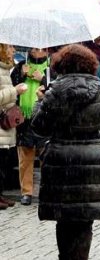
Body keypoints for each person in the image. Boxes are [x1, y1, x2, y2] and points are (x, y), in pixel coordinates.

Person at [30, 44, 100, 259]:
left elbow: (39, 126)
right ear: (90, 65)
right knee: (84, 220)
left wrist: (39, 103)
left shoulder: (54, 92)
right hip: (93, 164)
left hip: (61, 162)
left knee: (64, 218)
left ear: (62, 65)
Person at [10, 47, 50, 206]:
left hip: (44, 117)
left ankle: (47, 190)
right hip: (24, 116)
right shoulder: (21, 66)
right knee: (25, 156)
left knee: (46, 156)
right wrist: (21, 74)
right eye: (34, 49)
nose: (38, 51)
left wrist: (42, 79)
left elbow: (57, 87)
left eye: (41, 49)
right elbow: (12, 85)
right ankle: (26, 192)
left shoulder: (51, 66)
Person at [0, 44, 27, 209]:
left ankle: (1, 195)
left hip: (6, 126)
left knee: (3, 164)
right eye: (10, 47)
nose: (14, 50)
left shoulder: (6, 70)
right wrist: (15, 91)